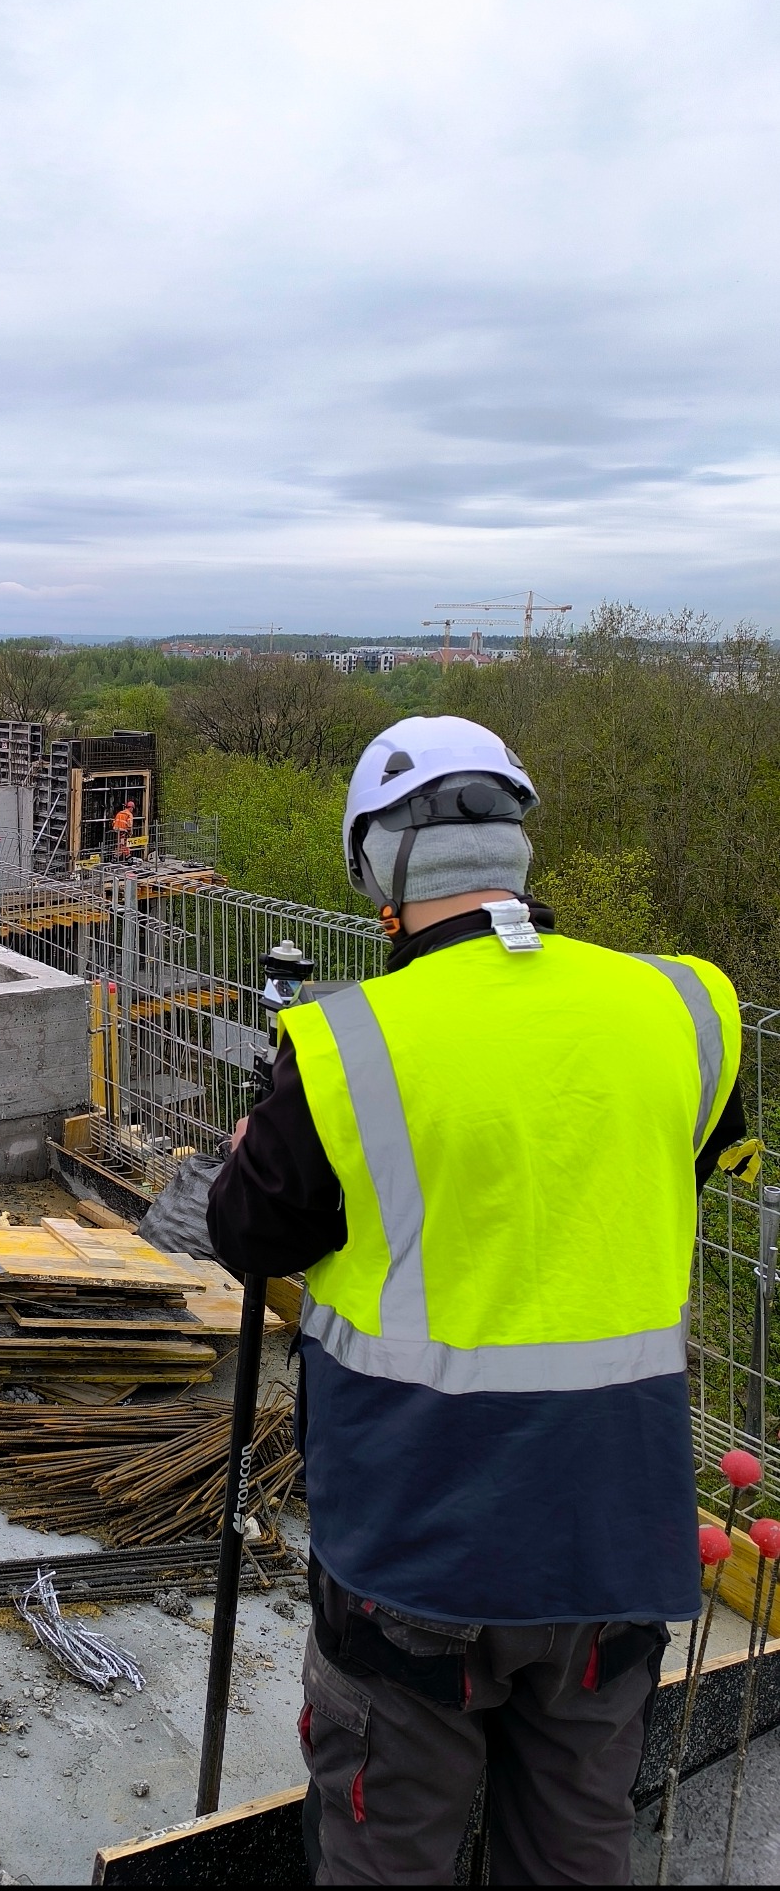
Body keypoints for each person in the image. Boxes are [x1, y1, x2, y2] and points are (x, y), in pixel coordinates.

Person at [207, 715, 746, 1886]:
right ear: (516, 844)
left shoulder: (343, 1043)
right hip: (615, 1530)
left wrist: (257, 1145)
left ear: (375, 870)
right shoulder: (687, 1006)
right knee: (575, 1847)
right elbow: (670, 1166)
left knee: (386, 1847)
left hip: (418, 1547)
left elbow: (248, 1235)